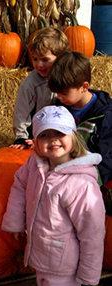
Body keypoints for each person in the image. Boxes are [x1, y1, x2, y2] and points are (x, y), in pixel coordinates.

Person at [2, 105, 106, 286]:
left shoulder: (81, 184)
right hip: (41, 256)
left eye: (60, 133)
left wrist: (89, 273)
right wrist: (15, 220)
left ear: (73, 136)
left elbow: (92, 232)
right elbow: (20, 185)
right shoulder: (35, 164)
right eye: (44, 135)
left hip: (64, 264)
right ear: (35, 141)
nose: (53, 140)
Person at [48, 50, 112, 215]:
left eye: (64, 93)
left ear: (84, 87)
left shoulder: (105, 116)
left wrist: (93, 182)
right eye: (57, 93)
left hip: (93, 178)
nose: (59, 97)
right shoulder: (59, 108)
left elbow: (106, 156)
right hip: (65, 171)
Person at [11, 26, 70, 149]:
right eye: (35, 59)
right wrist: (22, 137)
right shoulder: (30, 85)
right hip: (38, 133)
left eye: (45, 60)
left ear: (60, 58)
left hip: (62, 130)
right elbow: (22, 113)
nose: (39, 65)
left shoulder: (69, 77)